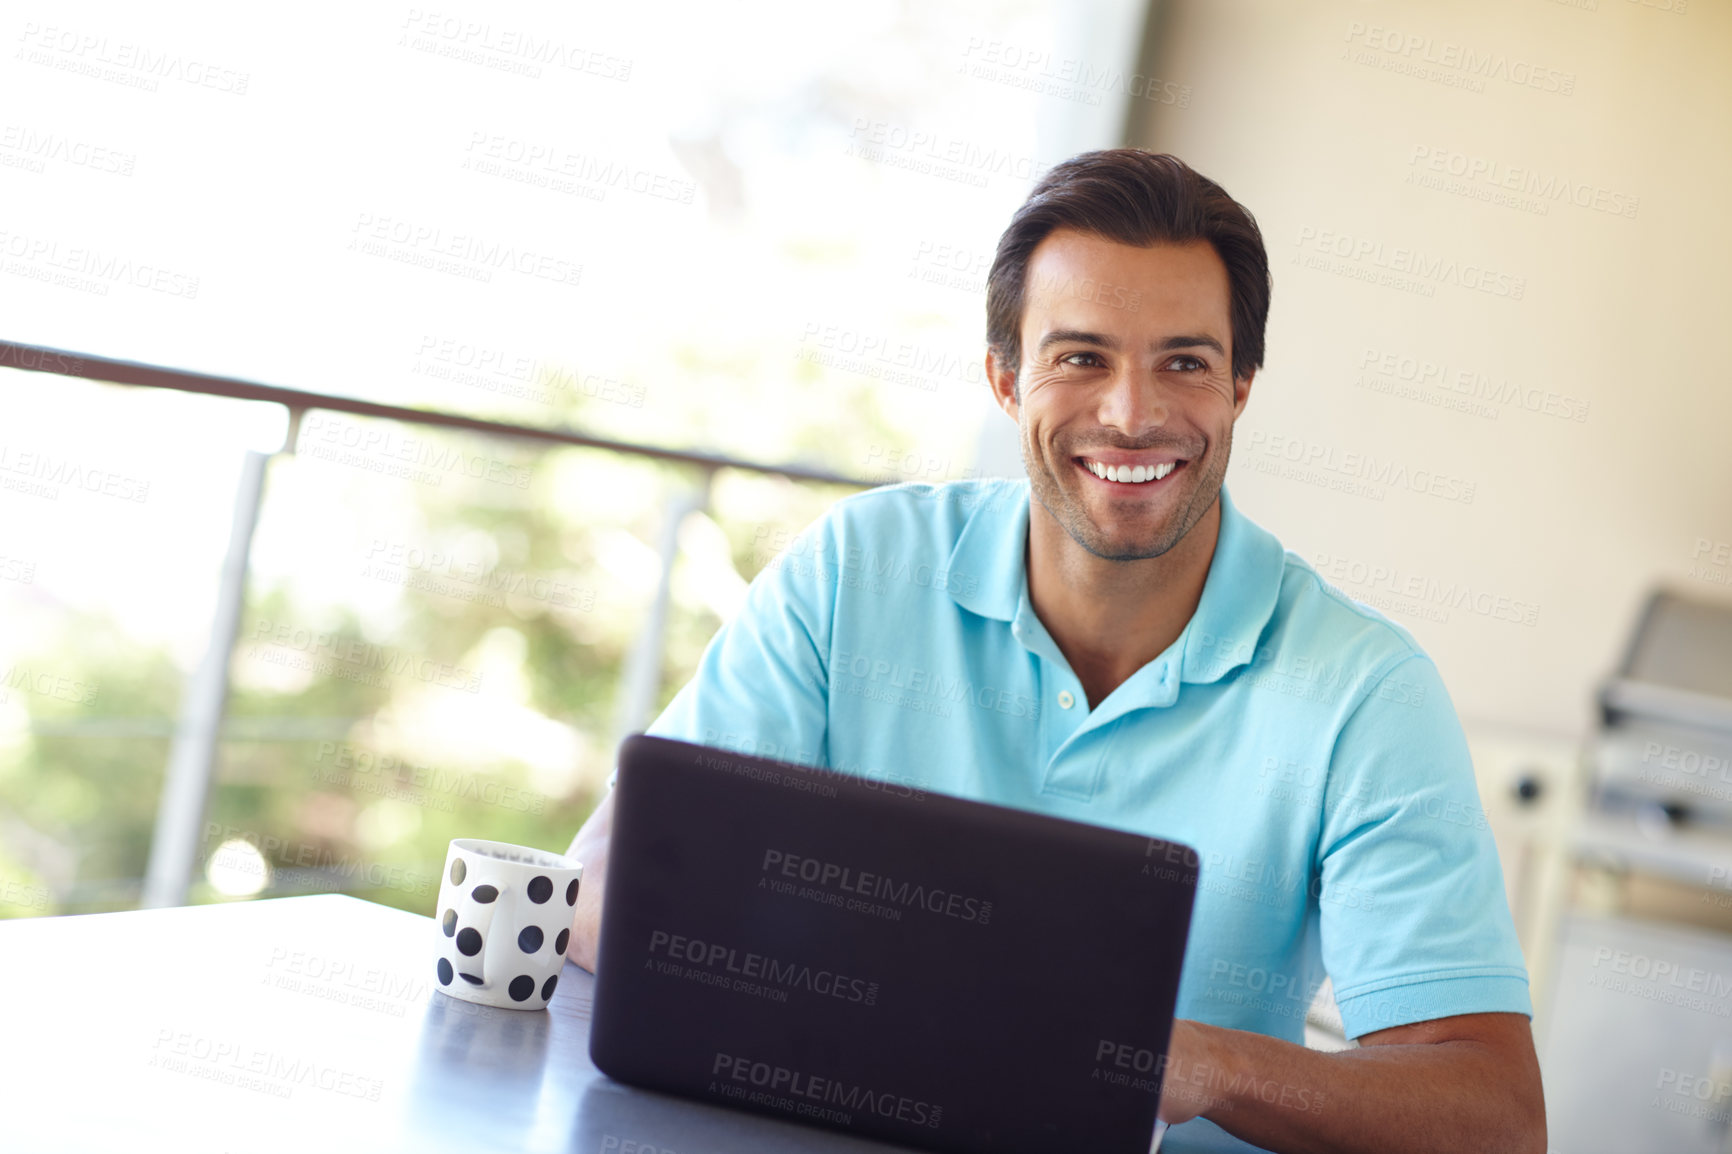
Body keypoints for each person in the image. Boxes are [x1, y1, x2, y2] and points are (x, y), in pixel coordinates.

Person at [564, 150, 1545, 1154]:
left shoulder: (1364, 692)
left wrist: (1198, 1060)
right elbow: (601, 891)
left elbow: (1494, 1119)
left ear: (1240, 386)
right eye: (1081, 356)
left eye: (1184, 361)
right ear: (1004, 377)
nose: (1131, 413)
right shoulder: (857, 568)